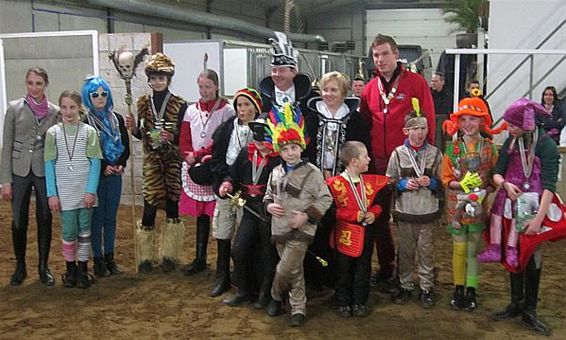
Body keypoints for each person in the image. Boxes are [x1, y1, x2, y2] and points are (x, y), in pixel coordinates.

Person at [359, 34, 435, 285]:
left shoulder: (416, 83)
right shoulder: (370, 88)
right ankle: (387, 265)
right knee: (379, 217)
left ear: (396, 53)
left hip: (409, 163)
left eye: (385, 54)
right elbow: (363, 125)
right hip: (378, 164)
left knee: (407, 218)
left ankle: (413, 273)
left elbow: (429, 120)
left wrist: (429, 159)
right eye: (376, 55)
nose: (380, 60)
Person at [489, 98, 559, 336]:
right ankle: (515, 303)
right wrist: (505, 184)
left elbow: (550, 185)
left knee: (533, 256)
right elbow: (497, 172)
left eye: (513, 125)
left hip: (536, 208)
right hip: (512, 206)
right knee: (514, 253)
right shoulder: (512, 141)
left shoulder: (546, 146)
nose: (509, 129)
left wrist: (539, 220)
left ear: (526, 123)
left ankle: (530, 309)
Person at [263, 103, 333, 327]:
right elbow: (268, 195)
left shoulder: (312, 172)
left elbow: (326, 198)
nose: (290, 152)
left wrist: (306, 216)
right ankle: (298, 307)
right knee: (295, 270)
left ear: (301, 147)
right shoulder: (275, 171)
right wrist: (268, 206)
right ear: (280, 151)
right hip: (279, 228)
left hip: (302, 229)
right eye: (285, 149)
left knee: (285, 268)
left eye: (294, 147)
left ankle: (274, 295)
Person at [126, 53, 188, 273]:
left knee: (172, 205)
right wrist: (133, 128)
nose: (157, 82)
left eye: (161, 78)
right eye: (153, 78)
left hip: (172, 161)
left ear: (168, 79)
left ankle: (170, 255)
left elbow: (184, 135)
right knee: (149, 206)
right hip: (152, 161)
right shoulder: (143, 103)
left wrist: (172, 137)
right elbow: (140, 134)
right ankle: (146, 257)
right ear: (149, 79)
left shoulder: (180, 104)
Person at [0, 67, 59, 286]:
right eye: (30, 83)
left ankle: (43, 267)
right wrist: (5, 180)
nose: (34, 88)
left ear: (46, 85)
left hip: (44, 170)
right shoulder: (14, 109)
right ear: (26, 84)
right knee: (19, 219)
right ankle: (20, 266)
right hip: (19, 170)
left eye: (39, 83)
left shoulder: (54, 112)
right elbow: (6, 146)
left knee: (45, 217)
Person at [441, 97, 498, 311]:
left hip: (478, 207)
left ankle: (471, 289)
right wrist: (460, 184)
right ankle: (457, 288)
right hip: (456, 205)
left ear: (482, 121)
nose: (467, 123)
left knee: (473, 249)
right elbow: (446, 179)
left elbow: (494, 178)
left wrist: (486, 192)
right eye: (463, 119)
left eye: (472, 119)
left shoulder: (490, 149)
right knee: (459, 248)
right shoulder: (452, 148)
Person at [218, 117, 280, 308]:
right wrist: (227, 183)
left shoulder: (278, 158)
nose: (260, 142)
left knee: (268, 254)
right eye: (257, 137)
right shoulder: (246, 152)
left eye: (264, 137)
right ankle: (243, 291)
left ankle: (265, 295)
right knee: (239, 250)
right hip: (249, 209)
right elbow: (233, 174)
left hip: (268, 212)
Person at [44, 91, 102, 288]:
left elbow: (95, 163)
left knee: (85, 230)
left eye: (72, 107)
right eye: (65, 107)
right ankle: (70, 270)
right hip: (64, 192)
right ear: (60, 109)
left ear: (79, 108)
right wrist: (52, 193)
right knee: (69, 231)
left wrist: (90, 190)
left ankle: (83, 269)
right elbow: (49, 164)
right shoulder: (53, 133)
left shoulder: (89, 132)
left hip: (84, 191)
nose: (68, 111)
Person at [179, 68, 234, 276]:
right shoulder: (190, 110)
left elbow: (222, 140)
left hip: (216, 166)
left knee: (220, 216)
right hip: (195, 166)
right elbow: (184, 138)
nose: (204, 91)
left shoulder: (227, 111)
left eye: (208, 87)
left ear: (217, 86)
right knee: (201, 216)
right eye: (201, 87)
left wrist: (202, 155)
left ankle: (222, 263)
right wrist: (188, 157)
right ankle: (199, 257)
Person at [387, 108, 442, 309]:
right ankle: (405, 285)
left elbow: (443, 182)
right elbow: (389, 180)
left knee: (426, 251)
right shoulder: (398, 154)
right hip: (405, 211)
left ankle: (427, 287)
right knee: (405, 251)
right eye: (415, 128)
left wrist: (433, 182)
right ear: (405, 131)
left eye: (423, 128)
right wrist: (401, 185)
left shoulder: (435, 154)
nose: (419, 133)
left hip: (427, 211)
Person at [206, 88, 258, 297]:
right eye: (239, 105)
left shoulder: (261, 130)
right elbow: (217, 158)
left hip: (247, 192)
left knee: (244, 238)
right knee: (223, 232)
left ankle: (243, 277)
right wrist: (224, 180)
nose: (242, 109)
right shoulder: (226, 129)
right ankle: (222, 276)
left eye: (247, 105)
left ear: (255, 107)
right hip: (225, 190)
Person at [327, 141, 387, 318]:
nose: (369, 159)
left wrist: (374, 213)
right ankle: (343, 301)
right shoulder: (333, 184)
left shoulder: (370, 182)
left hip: (366, 233)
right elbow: (330, 211)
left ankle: (360, 301)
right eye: (365, 156)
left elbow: (378, 204)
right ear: (354, 161)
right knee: (343, 269)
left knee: (364, 268)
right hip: (345, 234)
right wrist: (353, 216)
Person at [82, 76, 130, 277]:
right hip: (97, 176)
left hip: (115, 175)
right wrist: (104, 167)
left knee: (111, 217)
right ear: (88, 97)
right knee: (97, 218)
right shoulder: (85, 122)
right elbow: (86, 151)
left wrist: (120, 164)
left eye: (103, 94)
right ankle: (98, 259)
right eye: (95, 95)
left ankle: (110, 256)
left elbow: (125, 145)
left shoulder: (117, 119)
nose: (100, 98)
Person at [305, 71, 371, 180]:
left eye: (334, 90)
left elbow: (362, 149)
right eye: (325, 90)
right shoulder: (312, 117)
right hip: (314, 177)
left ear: (343, 93)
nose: (328, 94)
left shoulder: (355, 119)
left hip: (348, 177)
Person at [259, 31, 315, 117]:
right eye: (274, 70)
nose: (277, 74)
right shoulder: (262, 98)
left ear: (293, 72)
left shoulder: (310, 97)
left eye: (282, 70)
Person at [430, 72, 453, 151]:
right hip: (431, 120)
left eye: (435, 81)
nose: (433, 83)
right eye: (432, 81)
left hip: (444, 123)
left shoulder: (449, 95)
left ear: (442, 82)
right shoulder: (428, 94)